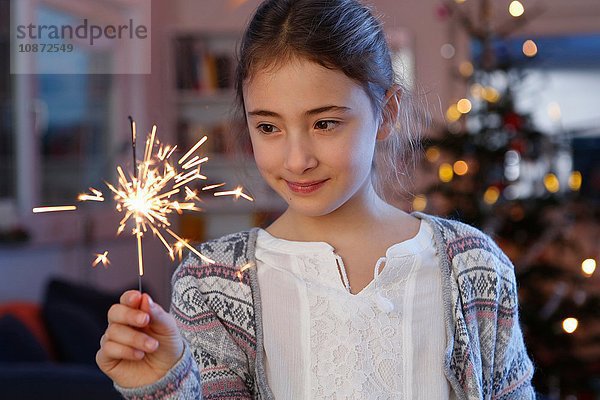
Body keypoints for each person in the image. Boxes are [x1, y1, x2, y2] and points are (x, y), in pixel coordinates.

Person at [96, 0, 536, 398]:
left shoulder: (474, 268)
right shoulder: (211, 283)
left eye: (325, 124)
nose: (297, 159)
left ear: (387, 113)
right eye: (268, 127)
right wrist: (161, 387)